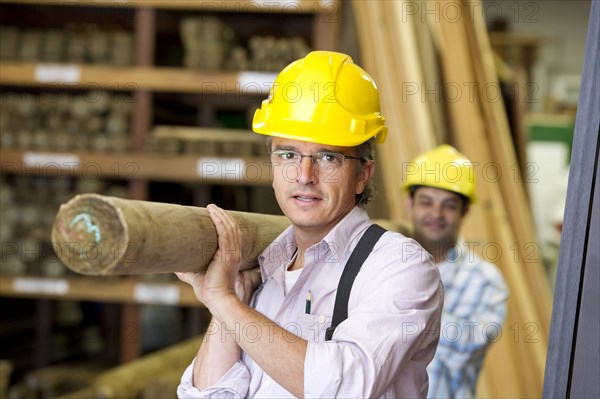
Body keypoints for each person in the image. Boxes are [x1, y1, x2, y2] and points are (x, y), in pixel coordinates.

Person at [176, 51, 443, 398]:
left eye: (327, 157)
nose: (304, 176)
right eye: (287, 154)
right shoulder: (264, 271)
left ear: (363, 174)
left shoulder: (399, 265)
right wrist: (233, 298)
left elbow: (345, 385)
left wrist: (223, 302)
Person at [404, 145, 509, 399]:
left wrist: (397, 309)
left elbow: (461, 352)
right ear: (411, 205)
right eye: (426, 203)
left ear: (464, 211)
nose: (436, 214)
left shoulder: (486, 282)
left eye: (448, 205)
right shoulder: (386, 264)